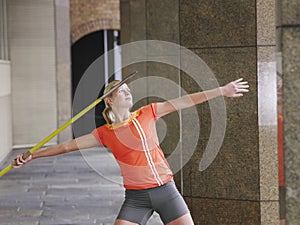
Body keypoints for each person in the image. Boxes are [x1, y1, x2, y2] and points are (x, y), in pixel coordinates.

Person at [14, 77, 249, 225]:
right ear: (109, 100)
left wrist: (220, 90)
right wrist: (32, 156)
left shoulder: (148, 112)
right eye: (121, 91)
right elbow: (66, 146)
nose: (128, 93)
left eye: (129, 90)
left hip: (166, 192)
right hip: (136, 198)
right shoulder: (104, 133)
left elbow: (185, 101)